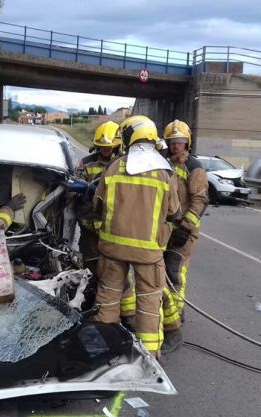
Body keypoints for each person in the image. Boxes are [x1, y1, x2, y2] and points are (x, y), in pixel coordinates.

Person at [92, 115, 180, 358]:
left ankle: (103, 347)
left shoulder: (113, 167)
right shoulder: (165, 172)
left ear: (130, 136)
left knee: (108, 295)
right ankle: (150, 353)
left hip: (112, 247)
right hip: (149, 251)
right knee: (150, 302)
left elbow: (97, 206)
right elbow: (174, 212)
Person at [159, 119, 208, 353]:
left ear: (187, 142)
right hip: (164, 229)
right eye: (172, 142)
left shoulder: (194, 167)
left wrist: (186, 228)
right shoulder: (163, 163)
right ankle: (167, 311)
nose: (176, 146)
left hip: (182, 231)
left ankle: (176, 317)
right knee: (160, 273)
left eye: (179, 142)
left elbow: (199, 200)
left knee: (174, 273)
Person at [77, 121, 121, 308]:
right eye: (101, 147)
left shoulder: (124, 164)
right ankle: (90, 307)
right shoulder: (86, 164)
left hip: (116, 230)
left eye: (108, 147)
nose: (104, 150)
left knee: (115, 275)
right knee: (92, 272)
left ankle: (112, 310)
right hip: (91, 231)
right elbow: (76, 198)